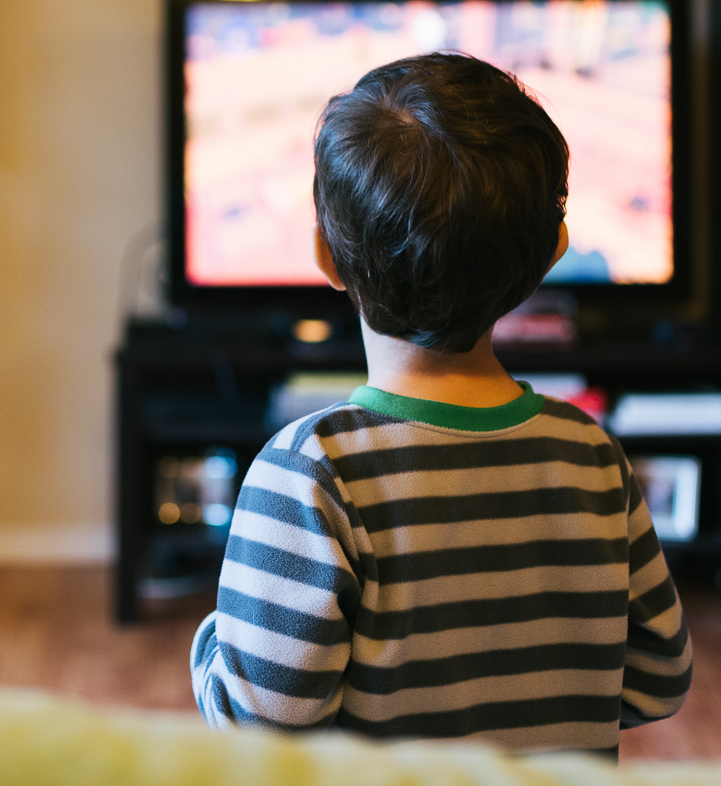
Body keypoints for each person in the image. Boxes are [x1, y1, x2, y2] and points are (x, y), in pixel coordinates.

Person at [190, 53, 691, 756]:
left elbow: (264, 730)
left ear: (325, 256)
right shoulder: (592, 454)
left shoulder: (309, 472)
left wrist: (218, 639)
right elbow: (659, 678)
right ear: (552, 252)